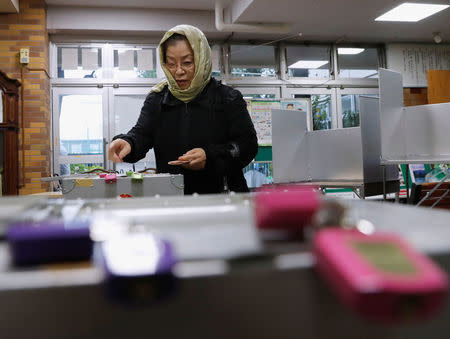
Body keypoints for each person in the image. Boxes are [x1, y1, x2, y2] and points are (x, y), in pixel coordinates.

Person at [108, 25, 258, 195]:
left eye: (187, 63)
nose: (178, 71)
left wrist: (210, 156)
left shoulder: (227, 98)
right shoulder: (158, 99)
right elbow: (142, 134)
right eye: (171, 64)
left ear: (202, 60)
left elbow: (248, 146)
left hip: (223, 197)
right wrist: (128, 142)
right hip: (173, 197)